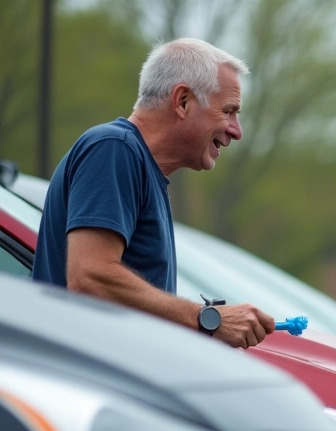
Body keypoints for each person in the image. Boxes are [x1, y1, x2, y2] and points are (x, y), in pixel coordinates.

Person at [32, 38, 273, 348]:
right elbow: (89, 278)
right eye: (229, 111)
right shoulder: (113, 149)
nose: (236, 130)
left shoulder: (136, 164)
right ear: (183, 101)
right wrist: (207, 319)